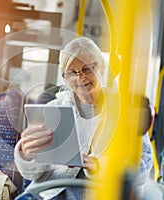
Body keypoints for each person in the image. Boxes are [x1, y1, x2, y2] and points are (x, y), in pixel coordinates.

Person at [14, 36, 153, 199]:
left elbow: (143, 164)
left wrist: (100, 167)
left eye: (87, 69)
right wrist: (26, 153)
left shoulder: (124, 112)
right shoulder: (52, 110)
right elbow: (33, 174)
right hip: (51, 192)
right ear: (65, 77)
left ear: (101, 67)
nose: (80, 78)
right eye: (72, 73)